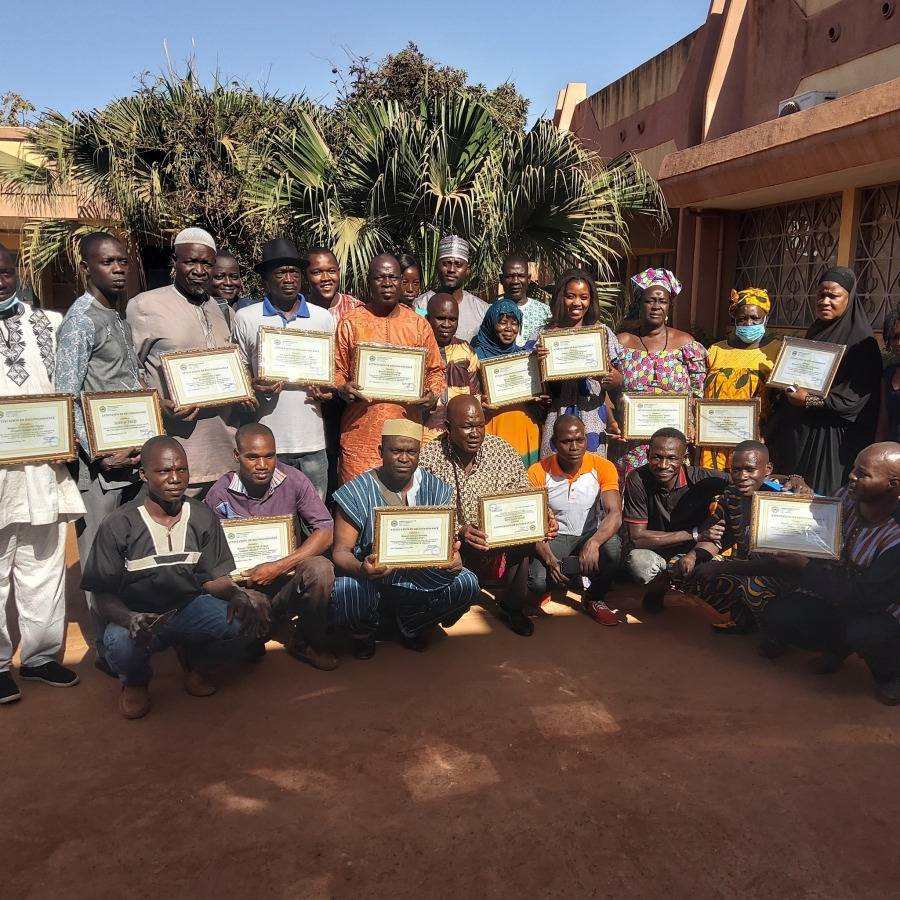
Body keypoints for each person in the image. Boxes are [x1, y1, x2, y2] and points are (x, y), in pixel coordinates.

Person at [82, 436, 271, 719]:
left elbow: (212, 578)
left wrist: (238, 594)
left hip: (188, 608)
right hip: (137, 615)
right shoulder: (119, 524)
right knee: (121, 645)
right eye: (163, 471)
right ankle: (135, 683)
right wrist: (129, 618)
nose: (174, 479)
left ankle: (198, 667)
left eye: (181, 470)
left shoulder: (202, 516)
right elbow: (101, 595)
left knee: (247, 619)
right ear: (144, 475)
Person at [0, 244, 85, 705]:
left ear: (16, 273)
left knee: (44, 566)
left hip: (45, 469)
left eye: (5, 272)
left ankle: (39, 656)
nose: (0, 281)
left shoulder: (50, 323)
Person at [55, 233, 143, 676]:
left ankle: (132, 635)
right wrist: (99, 455)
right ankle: (109, 652)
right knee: (100, 561)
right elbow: (66, 395)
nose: (118, 269)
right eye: (107, 262)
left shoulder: (118, 316)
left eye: (122, 261)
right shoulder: (80, 321)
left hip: (133, 460)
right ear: (86, 267)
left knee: (130, 554)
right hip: (102, 469)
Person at [763, 443, 900, 706]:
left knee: (865, 633)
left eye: (863, 473)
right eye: (854, 468)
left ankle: (891, 674)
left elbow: (864, 599)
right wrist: (796, 487)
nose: (851, 476)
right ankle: (837, 648)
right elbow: (812, 522)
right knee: (782, 613)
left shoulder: (896, 537)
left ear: (891, 485)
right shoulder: (844, 498)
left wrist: (804, 566)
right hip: (839, 593)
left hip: (878, 609)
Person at [330, 420, 479, 659]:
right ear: (381, 452)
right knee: (347, 590)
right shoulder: (356, 491)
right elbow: (340, 551)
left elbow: (445, 546)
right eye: (396, 451)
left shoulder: (436, 488)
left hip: (421, 575)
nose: (404, 458)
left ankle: (412, 623)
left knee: (467, 583)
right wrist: (361, 568)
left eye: (411, 452)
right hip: (372, 577)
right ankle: (363, 633)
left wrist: (454, 560)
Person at [127, 227, 250, 498]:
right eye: (190, 262)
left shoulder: (223, 310)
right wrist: (159, 405)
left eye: (207, 263)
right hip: (176, 459)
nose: (199, 270)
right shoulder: (145, 306)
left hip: (225, 455)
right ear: (175, 262)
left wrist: (246, 390)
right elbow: (131, 373)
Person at [419, 395, 556, 637]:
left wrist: (540, 516)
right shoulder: (429, 458)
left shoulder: (502, 450)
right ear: (449, 427)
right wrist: (459, 530)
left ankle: (512, 607)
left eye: (480, 425)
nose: (475, 433)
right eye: (467, 427)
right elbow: (422, 512)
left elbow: (522, 495)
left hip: (497, 534)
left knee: (525, 541)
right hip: (452, 538)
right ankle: (438, 605)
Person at [205, 424, 337, 670]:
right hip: (246, 586)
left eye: (269, 456)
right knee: (249, 647)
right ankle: (256, 629)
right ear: (236, 456)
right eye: (252, 457)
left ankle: (305, 641)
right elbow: (209, 557)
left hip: (286, 577)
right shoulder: (220, 494)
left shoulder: (293, 480)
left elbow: (326, 531)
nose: (262, 465)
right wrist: (238, 593)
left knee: (321, 568)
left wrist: (279, 566)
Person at [671, 441, 810, 634]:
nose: (742, 476)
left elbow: (780, 562)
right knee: (679, 566)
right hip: (748, 567)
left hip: (785, 575)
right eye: (735, 470)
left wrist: (721, 567)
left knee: (755, 589)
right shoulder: (731, 495)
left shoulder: (783, 498)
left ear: (768, 469)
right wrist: (692, 556)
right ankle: (742, 616)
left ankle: (775, 634)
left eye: (750, 469)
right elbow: (717, 538)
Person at [766, 267, 882, 495]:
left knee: (820, 499)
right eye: (821, 295)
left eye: (833, 296)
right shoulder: (816, 331)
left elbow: (855, 401)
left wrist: (810, 400)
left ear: (849, 297)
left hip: (832, 441)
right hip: (799, 434)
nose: (825, 302)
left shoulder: (862, 342)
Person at [231, 238, 333, 499]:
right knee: (273, 513)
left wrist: (327, 391)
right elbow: (239, 370)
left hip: (312, 442)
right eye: (280, 273)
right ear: (266, 279)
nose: (289, 279)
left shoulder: (322, 318)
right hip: (266, 446)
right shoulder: (247, 318)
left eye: (294, 272)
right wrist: (252, 386)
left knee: (314, 515)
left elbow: (332, 370)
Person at [334, 254, 444, 484]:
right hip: (360, 437)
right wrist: (342, 388)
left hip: (406, 437)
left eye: (393, 278)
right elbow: (336, 369)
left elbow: (436, 371)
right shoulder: (351, 322)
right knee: (358, 500)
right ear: (369, 282)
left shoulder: (418, 325)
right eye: (379, 278)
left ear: (401, 281)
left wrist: (432, 395)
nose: (387, 283)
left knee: (402, 503)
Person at [611, 268, 707, 479]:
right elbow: (605, 389)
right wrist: (613, 422)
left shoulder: (686, 344)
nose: (656, 306)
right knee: (633, 493)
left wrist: (692, 425)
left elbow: (698, 393)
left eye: (662, 301)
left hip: (672, 448)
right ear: (639, 303)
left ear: (669, 305)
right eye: (650, 301)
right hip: (631, 446)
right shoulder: (621, 343)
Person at [528, 416, 622, 626]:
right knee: (537, 584)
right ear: (554, 442)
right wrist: (549, 559)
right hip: (554, 538)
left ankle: (594, 599)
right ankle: (546, 588)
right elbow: (530, 523)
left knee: (613, 547)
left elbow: (615, 513)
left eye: (580, 440)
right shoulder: (537, 471)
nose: (574, 447)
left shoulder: (603, 466)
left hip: (588, 534)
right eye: (566, 441)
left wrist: (594, 543)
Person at [623, 428, 729, 613]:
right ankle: (658, 588)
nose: (664, 465)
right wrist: (694, 534)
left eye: (672, 458)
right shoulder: (637, 479)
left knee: (714, 573)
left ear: (684, 458)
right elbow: (637, 538)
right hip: (656, 547)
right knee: (640, 563)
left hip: (693, 549)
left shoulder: (701, 478)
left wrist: (784, 482)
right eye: (657, 457)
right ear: (647, 455)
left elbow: (744, 481)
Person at [526, 268, 624, 459]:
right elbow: (526, 383)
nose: (577, 303)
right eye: (570, 296)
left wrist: (605, 374)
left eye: (583, 297)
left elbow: (618, 379)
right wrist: (536, 363)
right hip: (555, 415)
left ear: (591, 300)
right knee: (554, 471)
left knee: (591, 471)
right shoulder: (542, 335)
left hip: (592, 415)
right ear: (560, 297)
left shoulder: (602, 333)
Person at [699, 288, 780, 470]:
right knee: (713, 483)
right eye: (742, 319)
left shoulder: (777, 352)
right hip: (715, 441)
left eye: (755, 318)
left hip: (756, 442)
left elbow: (783, 403)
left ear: (766, 318)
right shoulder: (716, 351)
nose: (748, 323)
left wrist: (766, 436)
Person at [472, 299, 544, 470]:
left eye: (514, 323)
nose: (509, 328)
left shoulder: (525, 357)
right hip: (492, 427)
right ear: (491, 323)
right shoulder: (475, 356)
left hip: (524, 427)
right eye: (503, 322)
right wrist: (479, 402)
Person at [423, 293, 481, 443]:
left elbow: (475, 395)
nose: (447, 325)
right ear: (427, 319)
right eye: (440, 318)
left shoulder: (466, 350)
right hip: (425, 434)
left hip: (460, 436)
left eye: (452, 319)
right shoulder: (418, 351)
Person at [415, 236, 490, 342]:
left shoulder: (482, 310)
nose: (451, 269)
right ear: (437, 267)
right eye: (446, 264)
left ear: (467, 270)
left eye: (458, 265)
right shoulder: (420, 306)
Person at [499, 253, 551, 347]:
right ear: (501, 279)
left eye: (521, 276)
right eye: (510, 276)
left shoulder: (545, 312)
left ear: (529, 279)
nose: (515, 281)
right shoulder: (490, 312)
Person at [304, 246, 362, 320]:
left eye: (331, 271)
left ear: (339, 273)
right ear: (305, 276)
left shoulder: (356, 309)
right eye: (317, 272)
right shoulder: (298, 309)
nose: (326, 278)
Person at [208, 251, 254, 327]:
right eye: (219, 277)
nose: (228, 283)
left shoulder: (254, 310)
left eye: (234, 277)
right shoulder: (196, 310)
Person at [875, 306, 900, 442]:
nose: (898, 343)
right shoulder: (889, 374)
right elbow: (883, 424)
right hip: (893, 451)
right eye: (895, 337)